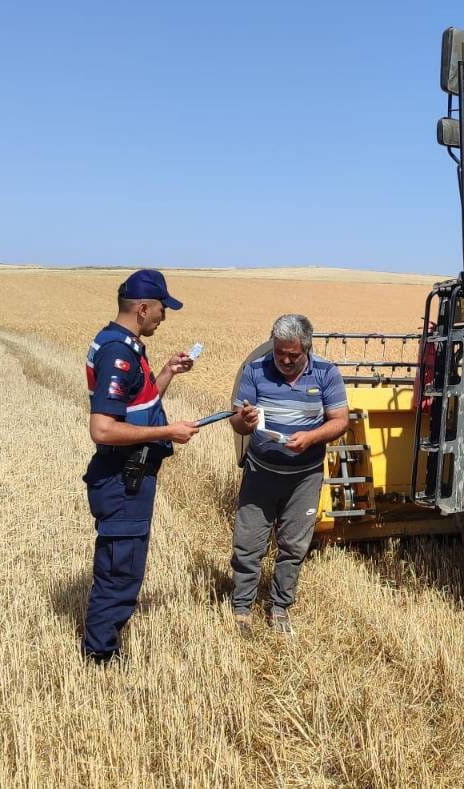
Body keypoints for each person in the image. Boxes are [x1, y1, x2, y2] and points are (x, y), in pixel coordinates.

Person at [81, 268, 200, 664]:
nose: (164, 316)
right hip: (122, 478)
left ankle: (103, 647)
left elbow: (138, 406)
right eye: (163, 309)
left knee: (124, 566)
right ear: (143, 308)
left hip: (130, 476)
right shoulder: (119, 352)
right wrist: (168, 430)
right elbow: (103, 428)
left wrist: (166, 372)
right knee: (120, 573)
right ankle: (100, 657)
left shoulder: (126, 345)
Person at [228, 313, 349, 636]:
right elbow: (237, 422)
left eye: (292, 355)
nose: (284, 359)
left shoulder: (326, 373)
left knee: (294, 546)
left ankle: (280, 607)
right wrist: (245, 420)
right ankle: (242, 607)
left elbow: (340, 420)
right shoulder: (255, 370)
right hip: (261, 472)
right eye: (279, 352)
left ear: (306, 349)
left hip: (304, 477)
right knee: (248, 543)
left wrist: (311, 438)